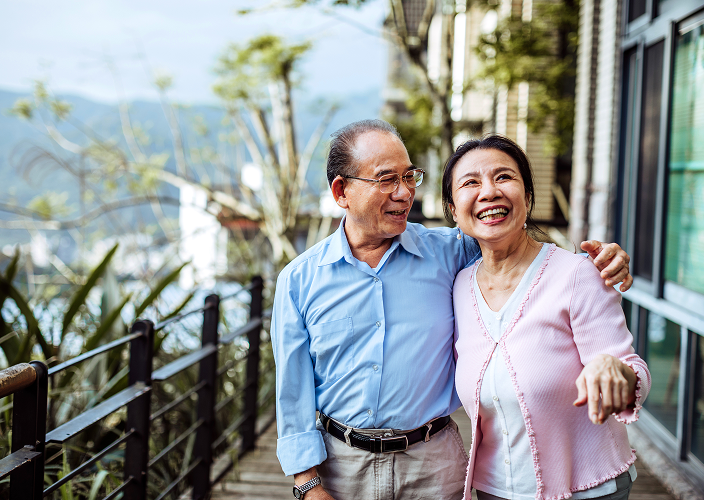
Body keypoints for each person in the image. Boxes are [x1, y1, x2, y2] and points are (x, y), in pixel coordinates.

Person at [272, 120, 633, 500]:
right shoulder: (299, 280)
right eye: (386, 179)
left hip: (435, 463)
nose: (404, 193)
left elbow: (517, 248)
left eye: (409, 176)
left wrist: (602, 261)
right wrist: (307, 484)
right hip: (340, 466)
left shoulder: (451, 253)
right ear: (341, 191)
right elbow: (292, 393)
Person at [442, 135, 651, 500]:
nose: (489, 192)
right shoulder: (459, 284)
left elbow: (629, 367)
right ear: (453, 210)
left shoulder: (578, 274)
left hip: (586, 489)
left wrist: (615, 371)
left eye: (503, 177)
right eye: (471, 183)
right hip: (494, 489)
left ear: (527, 196)